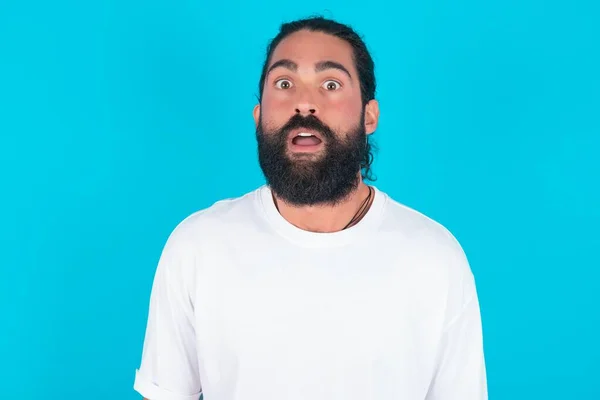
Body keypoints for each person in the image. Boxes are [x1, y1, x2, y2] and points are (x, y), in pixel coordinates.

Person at [133, 16, 488, 400]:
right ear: (258, 117)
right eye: (284, 84)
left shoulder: (435, 258)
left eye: (330, 84)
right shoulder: (197, 246)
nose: (304, 102)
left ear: (369, 116)